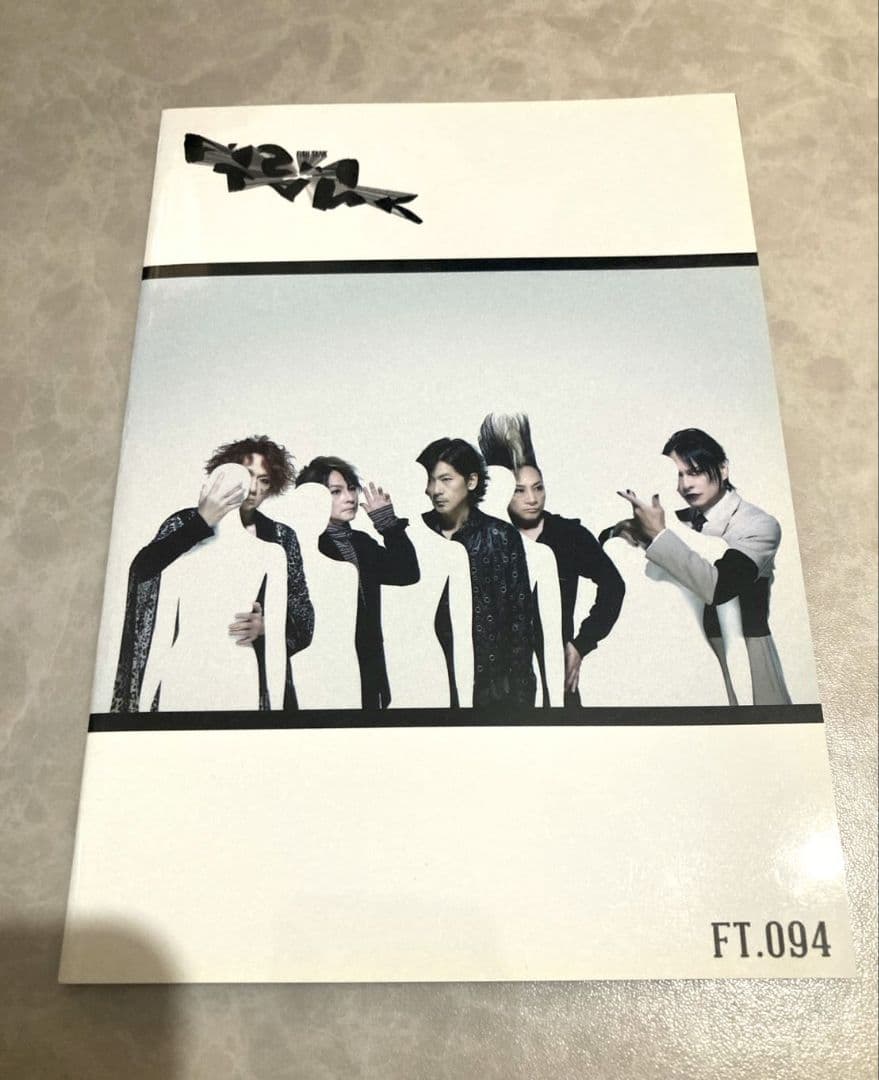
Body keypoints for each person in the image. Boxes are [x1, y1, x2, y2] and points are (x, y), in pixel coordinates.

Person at [111, 435, 314, 712]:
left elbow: (304, 620)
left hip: (246, 673)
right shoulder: (184, 523)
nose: (253, 488)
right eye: (247, 475)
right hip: (186, 669)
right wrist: (201, 522)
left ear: (272, 487)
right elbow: (143, 571)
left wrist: (267, 628)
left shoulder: (280, 538)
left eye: (264, 480)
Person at [611, 427, 791, 705]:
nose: (686, 484)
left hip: (748, 661)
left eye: (695, 472)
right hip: (690, 666)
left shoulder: (758, 525)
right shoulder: (673, 520)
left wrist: (657, 534)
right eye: (679, 475)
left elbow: (719, 587)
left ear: (723, 469)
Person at [479, 413, 625, 706]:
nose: (532, 499)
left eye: (538, 487)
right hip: (497, 685)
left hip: (555, 677)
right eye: (519, 490)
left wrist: (581, 645)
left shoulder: (568, 535)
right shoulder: (485, 539)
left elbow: (613, 585)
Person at [139, 464, 289, 711]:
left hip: (220, 669)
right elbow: (161, 638)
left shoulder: (270, 553)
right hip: (202, 670)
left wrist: (142, 710)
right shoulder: (182, 553)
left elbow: (161, 640)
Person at [417, 437, 536, 709]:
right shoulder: (417, 533)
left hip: (490, 686)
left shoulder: (501, 536)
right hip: (429, 679)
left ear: (471, 481)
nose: (435, 490)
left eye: (446, 479)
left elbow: (520, 619)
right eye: (430, 480)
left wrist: (521, 698)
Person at [296, 455, 420, 709]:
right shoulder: (304, 545)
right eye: (336, 491)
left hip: (367, 657)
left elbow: (407, 573)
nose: (349, 497)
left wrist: (388, 524)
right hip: (322, 665)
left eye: (351, 488)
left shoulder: (361, 542)